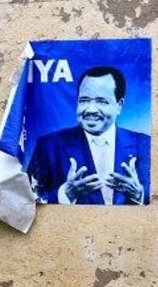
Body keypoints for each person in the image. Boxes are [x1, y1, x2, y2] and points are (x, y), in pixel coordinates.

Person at [27, 65, 151, 205]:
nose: (90, 109)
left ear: (119, 105)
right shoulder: (48, 146)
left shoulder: (146, 145)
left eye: (101, 101)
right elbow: (26, 200)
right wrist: (65, 195)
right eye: (84, 100)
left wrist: (138, 195)